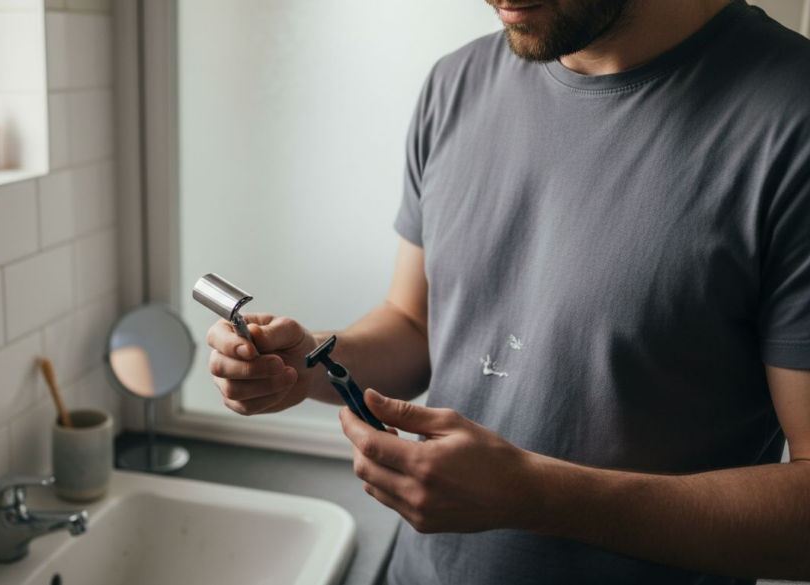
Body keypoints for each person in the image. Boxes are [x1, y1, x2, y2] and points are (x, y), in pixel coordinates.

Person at [204, 0, 810, 582]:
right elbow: (416, 325)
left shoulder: (791, 117)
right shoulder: (457, 84)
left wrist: (539, 497)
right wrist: (308, 363)